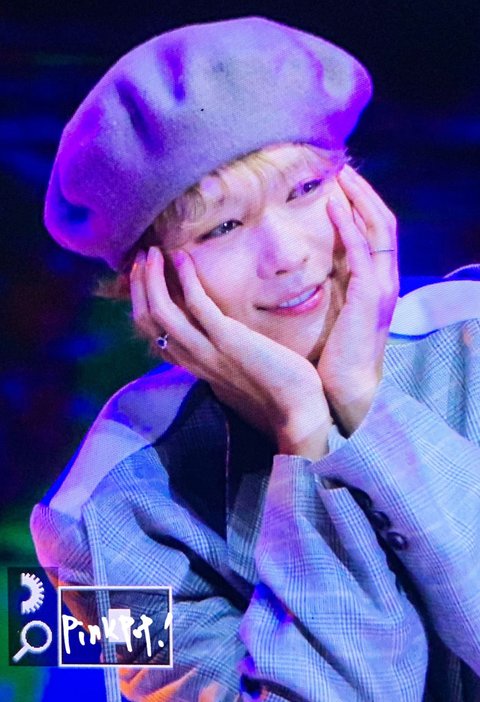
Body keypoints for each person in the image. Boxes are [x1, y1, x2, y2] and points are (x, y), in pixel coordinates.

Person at [30, 16, 480, 702]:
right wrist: (306, 434)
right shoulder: (99, 520)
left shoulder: (470, 336)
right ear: (150, 284)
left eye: (305, 190)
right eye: (223, 227)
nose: (288, 256)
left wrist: (364, 402)